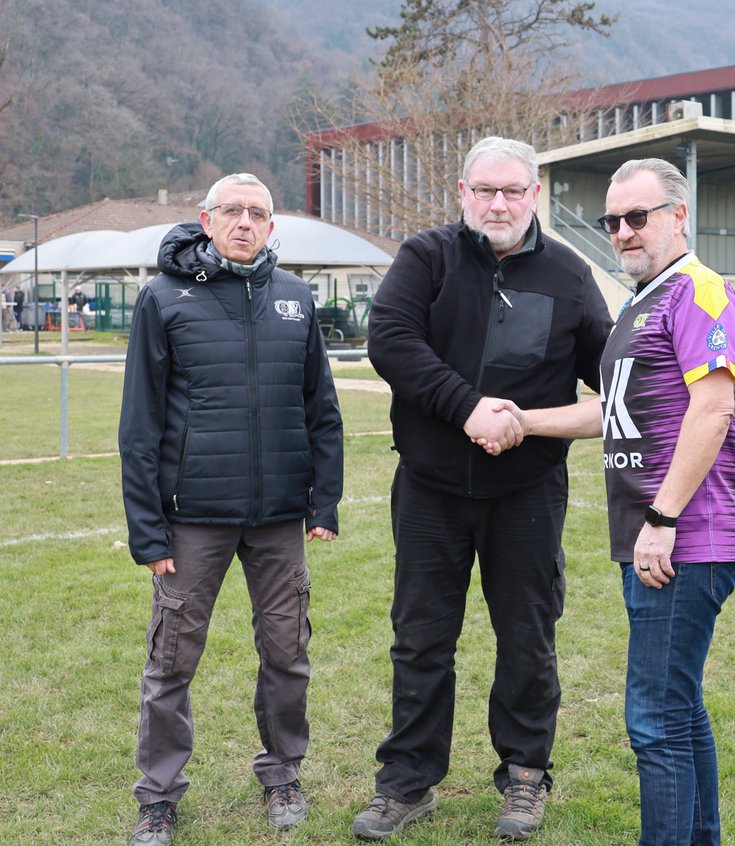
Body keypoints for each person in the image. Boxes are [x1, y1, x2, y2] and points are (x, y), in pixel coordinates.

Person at [350, 136, 613, 843]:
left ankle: (526, 774)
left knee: (527, 638)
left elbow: (609, 374)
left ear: (536, 196)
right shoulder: (425, 258)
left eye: (514, 191)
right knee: (421, 638)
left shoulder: (567, 272)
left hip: (527, 492)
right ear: (462, 193)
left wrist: (528, 424)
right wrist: (467, 406)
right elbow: (392, 340)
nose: (500, 203)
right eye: (486, 190)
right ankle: (406, 782)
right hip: (430, 489)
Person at [501, 157, 735, 846]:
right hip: (658, 536)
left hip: (684, 539)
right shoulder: (642, 299)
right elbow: (609, 412)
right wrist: (523, 418)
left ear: (678, 215)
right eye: (613, 221)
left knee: (654, 719)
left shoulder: (697, 291)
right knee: (678, 706)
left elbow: (712, 409)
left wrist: (662, 520)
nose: (623, 232)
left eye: (638, 217)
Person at [119, 172, 343, 845]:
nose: (245, 222)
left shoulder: (297, 299)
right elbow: (140, 426)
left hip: (278, 518)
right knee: (172, 662)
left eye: (258, 213)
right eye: (232, 211)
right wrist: (147, 531)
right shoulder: (163, 299)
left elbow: (322, 410)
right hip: (191, 519)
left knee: (286, 653)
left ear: (272, 227)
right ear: (206, 219)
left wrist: (322, 501)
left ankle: (282, 776)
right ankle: (158, 796)